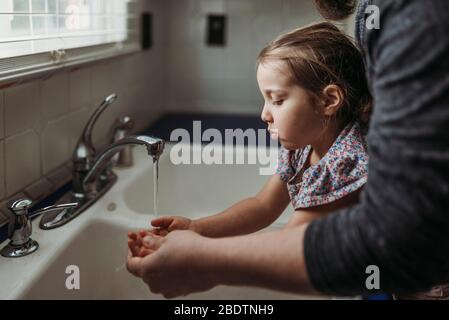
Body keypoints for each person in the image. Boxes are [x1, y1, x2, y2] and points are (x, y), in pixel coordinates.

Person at [127, 0, 449, 299]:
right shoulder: (301, 147)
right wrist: (198, 229)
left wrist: (200, 257)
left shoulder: (345, 161)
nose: (264, 114)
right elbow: (262, 206)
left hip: (428, 283)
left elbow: (295, 240)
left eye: (277, 100)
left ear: (328, 100)